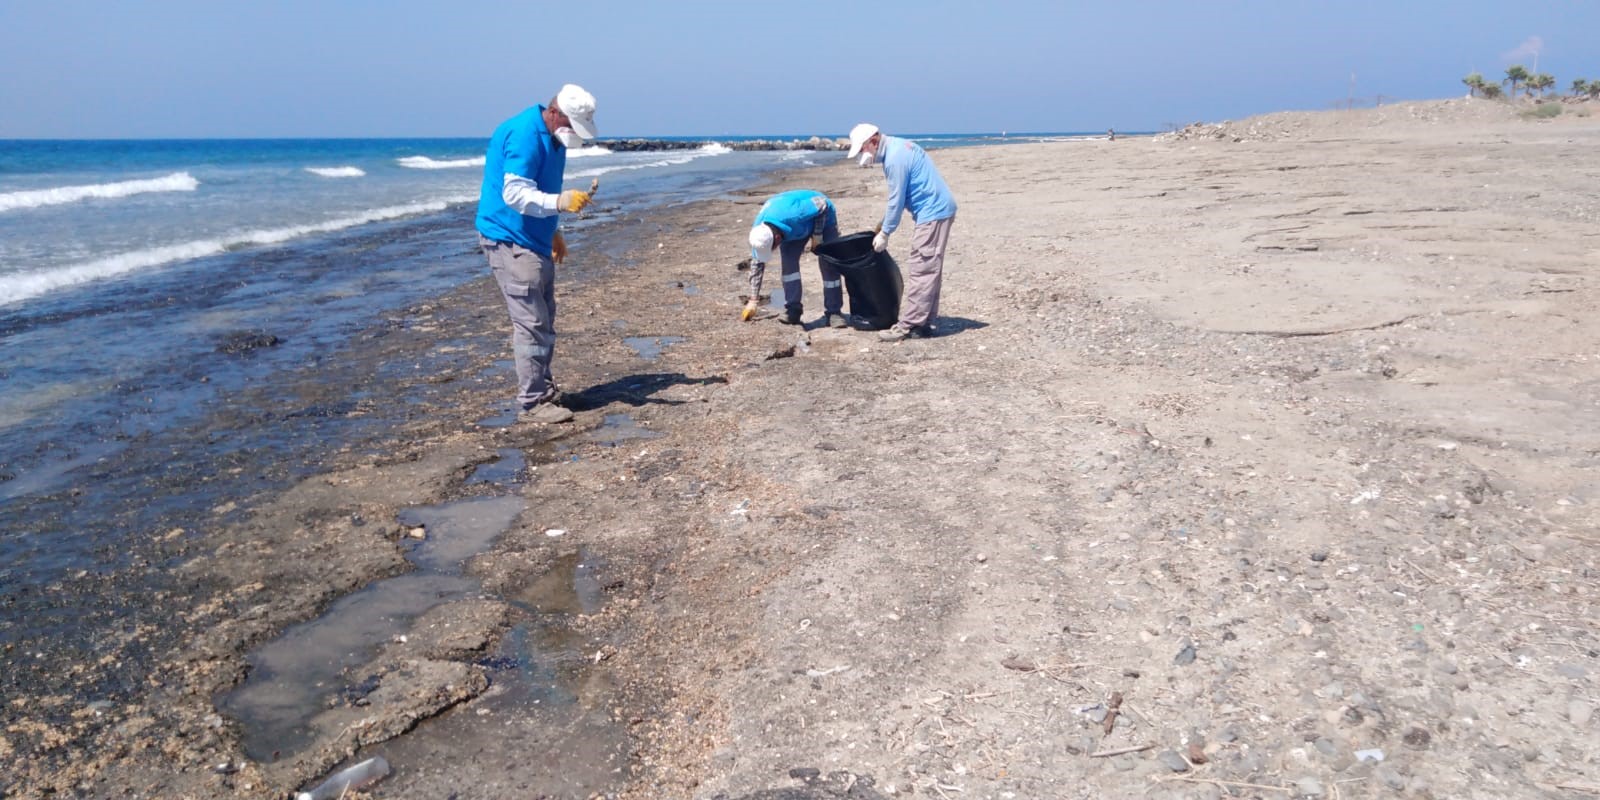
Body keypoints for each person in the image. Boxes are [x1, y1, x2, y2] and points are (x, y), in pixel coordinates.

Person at [475, 84, 598, 424]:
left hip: (535, 239)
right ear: (556, 112)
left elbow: (542, 190)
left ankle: (543, 389)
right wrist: (560, 203)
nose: (574, 133)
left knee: (545, 317)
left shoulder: (554, 138)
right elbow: (515, 194)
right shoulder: (524, 135)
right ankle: (532, 402)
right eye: (573, 125)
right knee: (530, 322)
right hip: (509, 239)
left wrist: (554, 230)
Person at [846, 123, 958, 342]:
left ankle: (909, 326)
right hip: (939, 209)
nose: (863, 154)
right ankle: (924, 322)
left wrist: (886, 232)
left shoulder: (895, 159)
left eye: (863, 149)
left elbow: (896, 200)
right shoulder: (898, 147)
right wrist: (883, 223)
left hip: (933, 212)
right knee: (930, 267)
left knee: (922, 268)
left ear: (874, 140)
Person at [741, 190, 845, 327]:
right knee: (789, 265)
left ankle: (834, 312)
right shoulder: (759, 234)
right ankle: (793, 310)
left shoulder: (795, 214)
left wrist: (817, 235)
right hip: (793, 229)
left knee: (828, 263)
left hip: (822, 217)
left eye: (771, 248)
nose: (771, 251)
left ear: (777, 239)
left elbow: (822, 204)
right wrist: (753, 299)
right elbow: (757, 264)